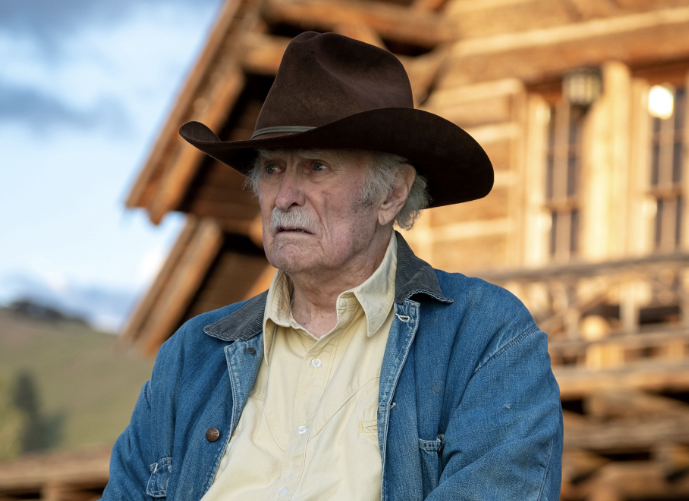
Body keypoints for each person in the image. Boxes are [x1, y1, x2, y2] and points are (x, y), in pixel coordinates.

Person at [103, 31, 562, 501]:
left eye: (317, 167)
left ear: (391, 194)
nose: (284, 197)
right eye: (273, 169)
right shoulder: (189, 358)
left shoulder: (485, 337)